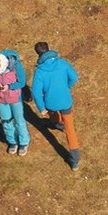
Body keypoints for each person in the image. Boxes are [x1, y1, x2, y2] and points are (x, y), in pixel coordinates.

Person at [30, 41, 81, 171]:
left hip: (50, 103)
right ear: (49, 49)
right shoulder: (62, 63)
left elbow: (36, 92)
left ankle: (57, 124)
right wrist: (66, 87)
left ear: (38, 54)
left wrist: (41, 108)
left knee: (52, 114)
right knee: (70, 128)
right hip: (65, 100)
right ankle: (75, 159)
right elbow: (74, 77)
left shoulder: (39, 72)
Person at [0, 50, 29, 155]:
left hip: (15, 98)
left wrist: (9, 87)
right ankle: (12, 141)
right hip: (1, 99)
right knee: (6, 121)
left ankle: (24, 142)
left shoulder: (16, 66)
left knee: (19, 121)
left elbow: (22, 82)